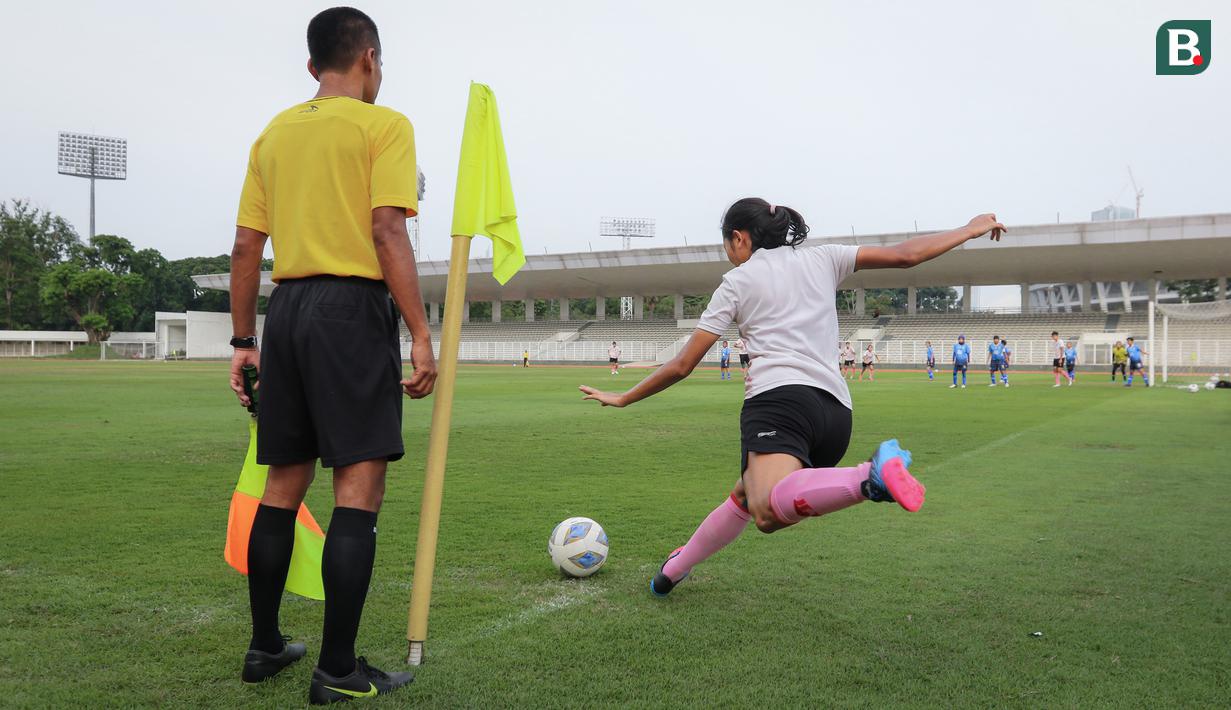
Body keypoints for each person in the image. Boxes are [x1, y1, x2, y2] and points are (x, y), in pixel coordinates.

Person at [578, 198, 1006, 596]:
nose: (729, 253)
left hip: (780, 404)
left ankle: (870, 478)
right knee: (747, 495)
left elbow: (681, 366)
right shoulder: (824, 257)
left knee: (765, 511)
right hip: (836, 413)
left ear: (740, 238)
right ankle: (673, 570)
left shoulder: (737, 281)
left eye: (728, 244)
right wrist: (968, 230)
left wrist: (623, 398)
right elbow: (906, 255)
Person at [228, 7, 434, 703]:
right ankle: (338, 668)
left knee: (282, 485)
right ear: (368, 58)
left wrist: (243, 341)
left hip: (284, 314)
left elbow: (245, 249)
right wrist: (421, 332)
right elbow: (386, 231)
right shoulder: (385, 126)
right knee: (358, 489)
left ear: (313, 67)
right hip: (350, 312)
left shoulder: (274, 132)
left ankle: (264, 646)